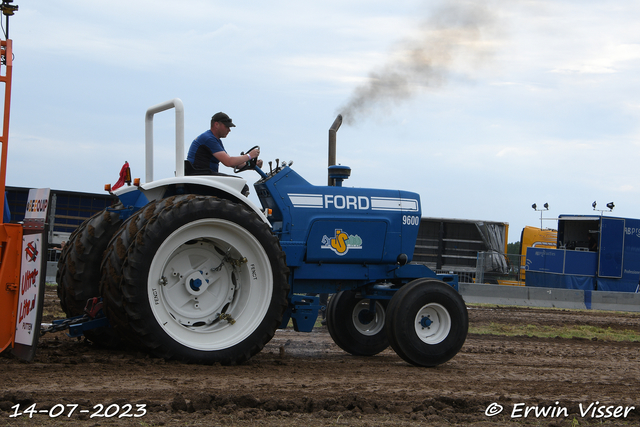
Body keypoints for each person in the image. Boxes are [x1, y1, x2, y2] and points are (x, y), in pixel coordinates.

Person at [186, 112, 262, 173]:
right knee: (242, 187)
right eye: (227, 127)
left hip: (204, 174)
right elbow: (229, 162)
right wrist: (249, 156)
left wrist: (253, 166)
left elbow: (233, 163)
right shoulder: (209, 139)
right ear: (217, 125)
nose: (229, 130)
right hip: (201, 175)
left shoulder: (216, 140)